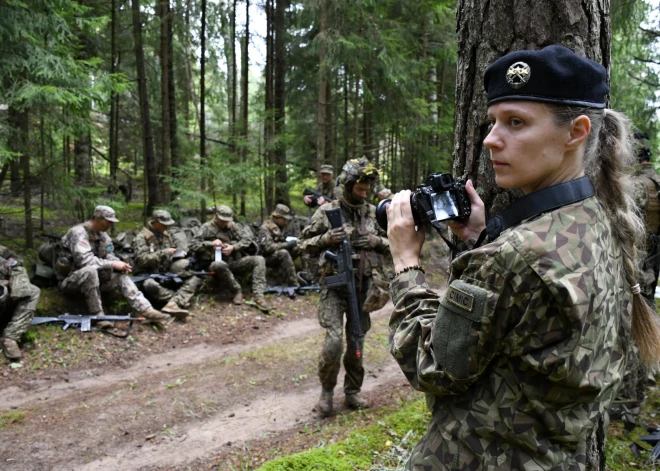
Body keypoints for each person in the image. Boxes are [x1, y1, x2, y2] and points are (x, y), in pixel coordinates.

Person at [386, 45, 660, 470]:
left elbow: (433, 365)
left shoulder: (515, 256)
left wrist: (406, 265)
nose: (492, 139)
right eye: (493, 122)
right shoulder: (600, 219)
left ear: (576, 132)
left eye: (516, 123)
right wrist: (481, 237)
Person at [299, 157, 389, 416]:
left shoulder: (373, 213)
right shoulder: (328, 211)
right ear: (348, 184)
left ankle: (352, 391)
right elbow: (302, 243)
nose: (365, 190)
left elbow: (393, 241)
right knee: (334, 342)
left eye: (368, 186)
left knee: (357, 340)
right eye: (360, 186)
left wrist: (375, 240)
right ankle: (326, 393)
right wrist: (326, 238)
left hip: (363, 287)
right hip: (334, 286)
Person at [58, 205, 172, 328]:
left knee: (121, 276)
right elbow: (84, 261)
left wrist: (121, 265)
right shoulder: (78, 233)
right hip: (71, 281)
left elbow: (108, 255)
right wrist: (113, 264)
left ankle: (147, 309)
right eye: (108, 221)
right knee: (90, 271)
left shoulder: (103, 236)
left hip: (96, 282)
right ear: (98, 218)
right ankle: (98, 316)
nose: (110, 225)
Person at [190, 205, 270, 311]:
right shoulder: (206, 227)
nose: (224, 223)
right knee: (219, 264)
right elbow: (193, 245)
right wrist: (211, 243)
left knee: (259, 259)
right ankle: (237, 290)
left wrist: (233, 247)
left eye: (226, 221)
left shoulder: (233, 226)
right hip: (214, 264)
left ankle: (258, 296)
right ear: (216, 216)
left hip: (234, 261)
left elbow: (247, 240)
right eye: (222, 220)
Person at [132, 209, 202, 318]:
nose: (166, 227)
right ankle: (176, 300)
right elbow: (141, 260)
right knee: (150, 285)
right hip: (147, 275)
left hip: (165, 272)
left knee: (193, 278)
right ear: (155, 222)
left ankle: (172, 304)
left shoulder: (166, 235)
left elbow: (170, 252)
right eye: (163, 224)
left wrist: (177, 254)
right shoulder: (141, 238)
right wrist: (164, 253)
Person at [632, 132, 660, 308]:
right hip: (654, 252)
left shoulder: (634, 185)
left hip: (639, 256)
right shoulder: (656, 180)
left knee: (640, 306)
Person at [0, 245, 40, 360]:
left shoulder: (3, 251)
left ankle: (10, 337)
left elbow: (17, 265)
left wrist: (18, 287)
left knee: (32, 292)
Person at [258, 204, 300, 287]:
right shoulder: (264, 228)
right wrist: (287, 244)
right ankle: (294, 283)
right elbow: (267, 248)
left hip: (279, 253)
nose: (286, 221)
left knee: (299, 247)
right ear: (277, 217)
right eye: (284, 219)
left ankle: (307, 275)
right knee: (284, 252)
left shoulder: (281, 227)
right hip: (268, 257)